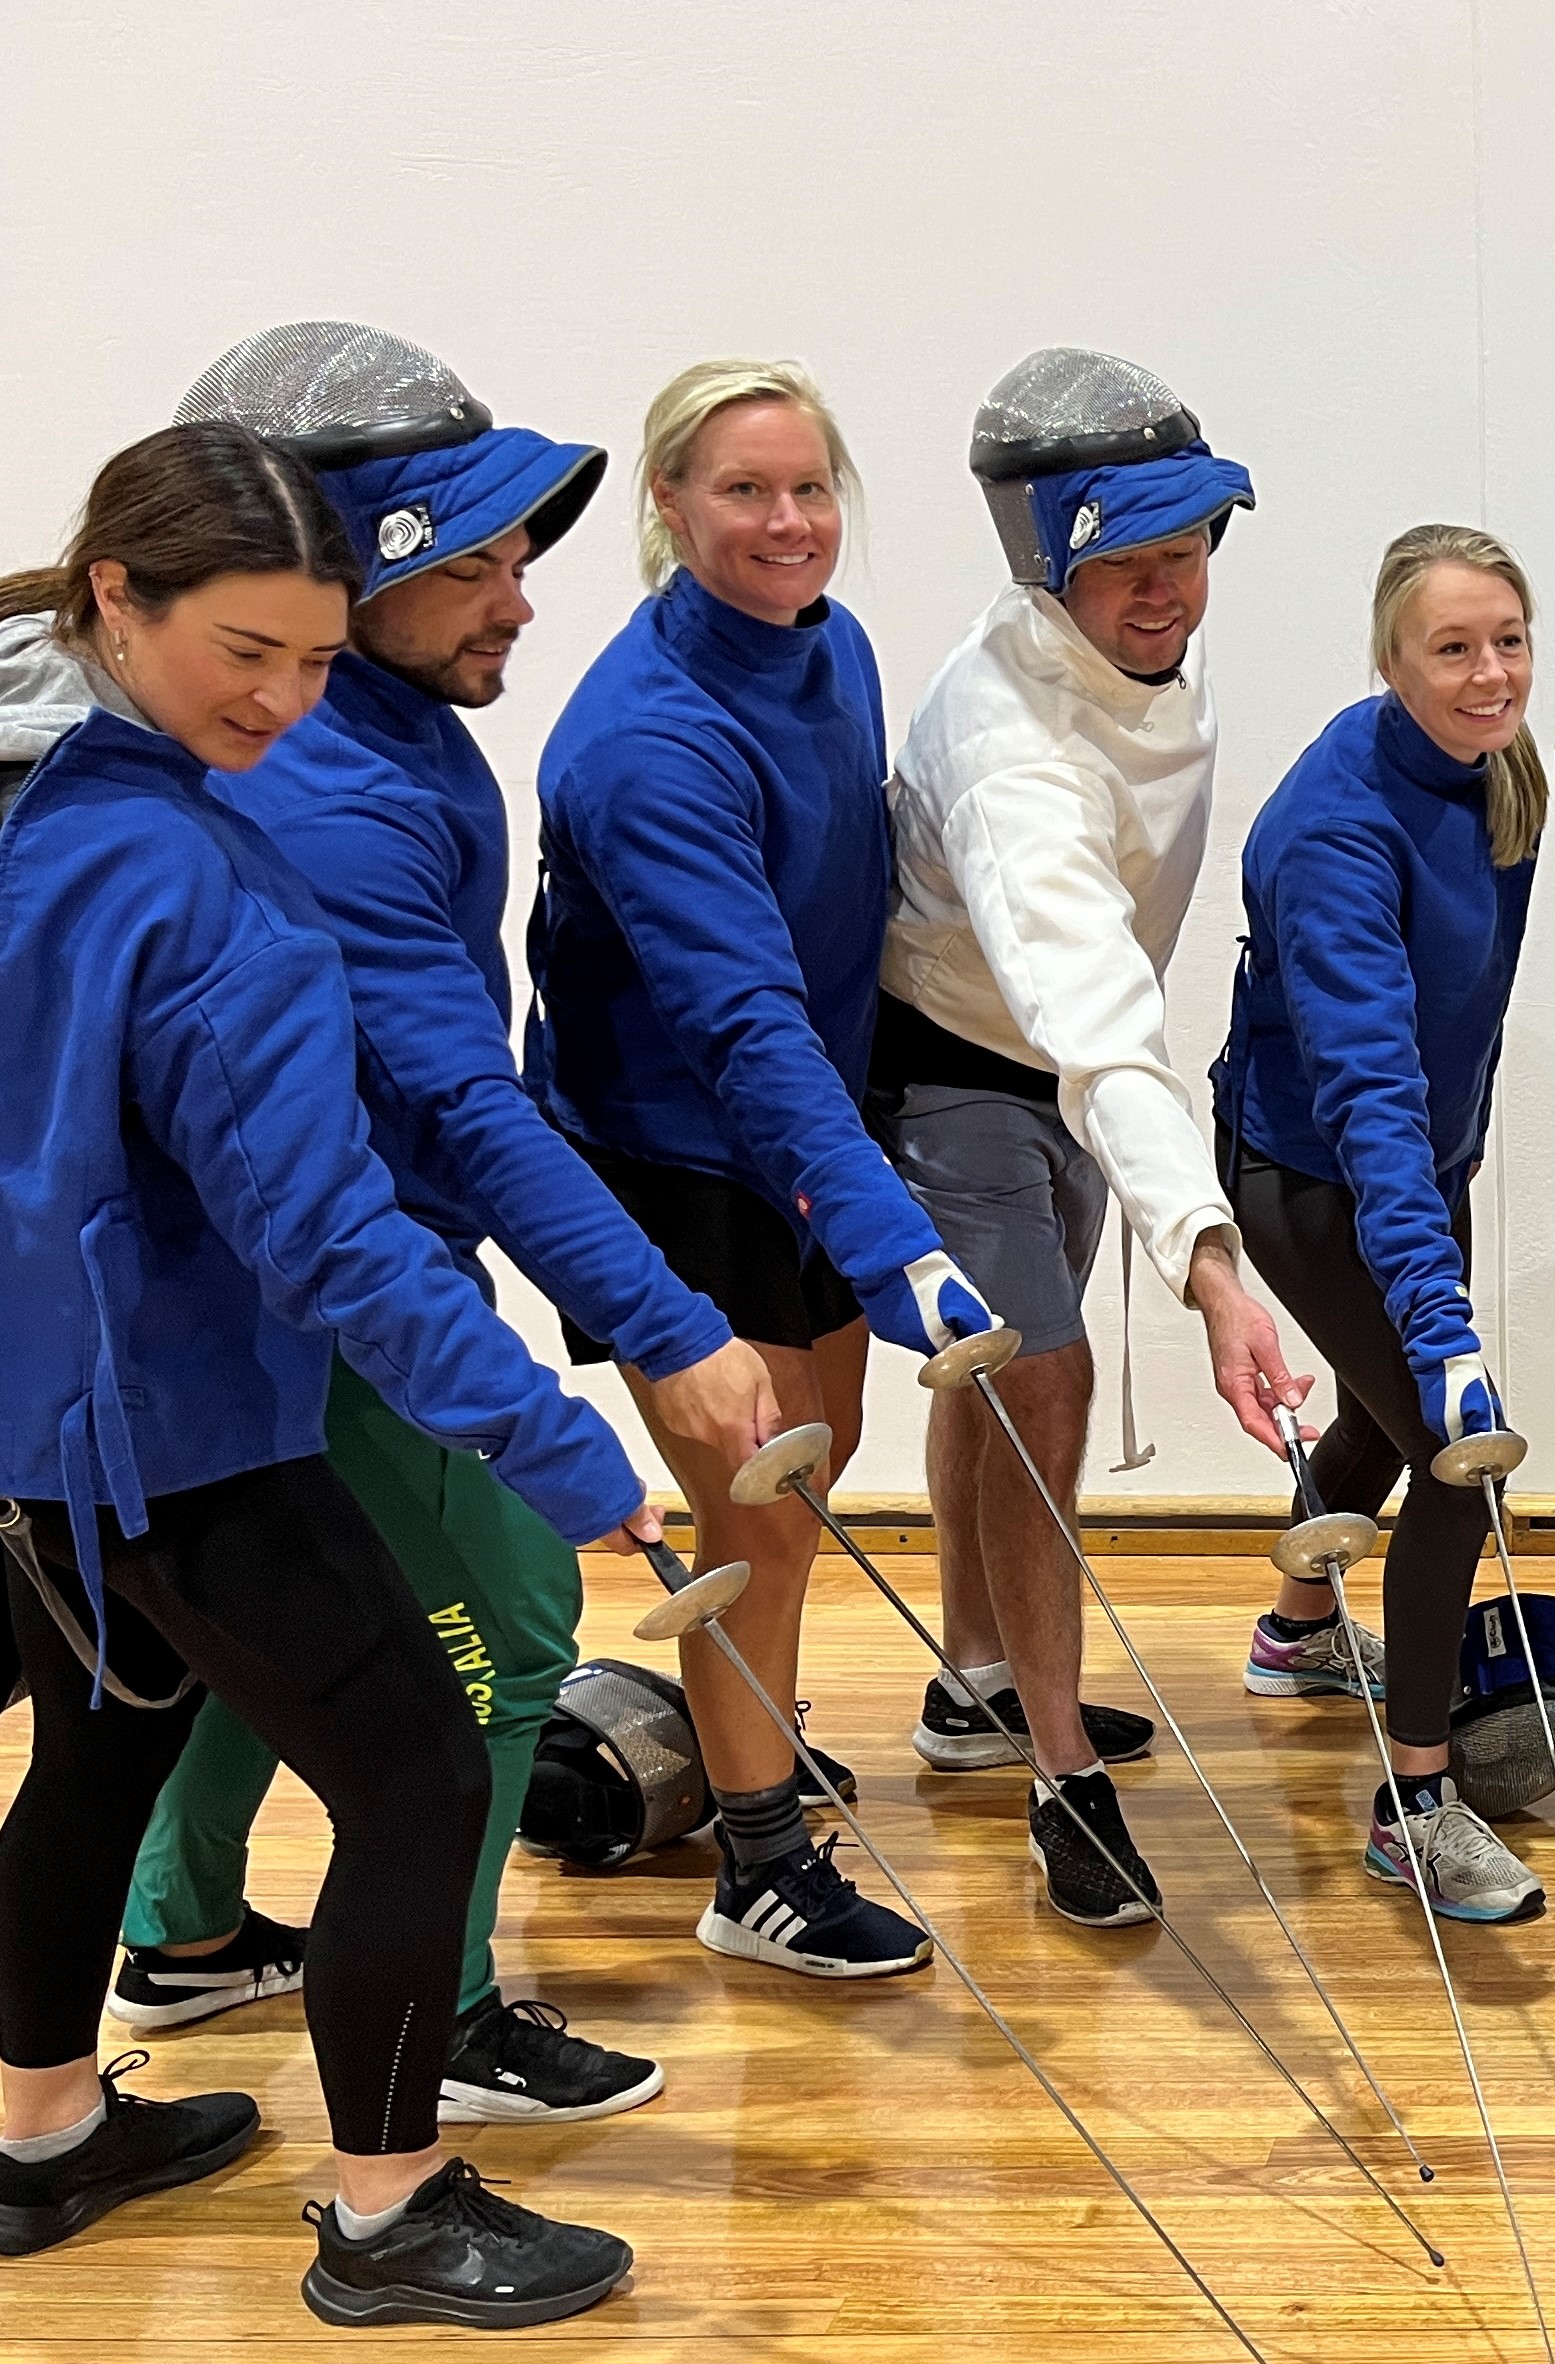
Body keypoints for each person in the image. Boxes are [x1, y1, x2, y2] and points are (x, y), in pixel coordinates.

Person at [28, 324, 774, 2130]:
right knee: (473, 1678)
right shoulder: (255, 831)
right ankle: (417, 2090)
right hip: (225, 1353)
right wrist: (628, 1365)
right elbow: (393, 1159)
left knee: (140, 1713)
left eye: (305, 653)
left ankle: (145, 1990)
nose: (516, 598)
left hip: (116, 1379)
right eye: (468, 560)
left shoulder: (163, 779)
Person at [0, 421, 639, 2325]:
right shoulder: (207, 887)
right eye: (245, 653)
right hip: (181, 1435)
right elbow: (332, 1237)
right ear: (117, 596)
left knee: (98, 1753)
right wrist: (557, 1446)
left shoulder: (39, 805)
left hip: (44, 1430)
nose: (283, 700)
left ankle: (38, 2135)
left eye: (315, 655)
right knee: (419, 1777)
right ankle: (390, 2213)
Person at [530, 360, 992, 1979]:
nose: (789, 522)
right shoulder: (645, 743)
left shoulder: (831, 646)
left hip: (805, 1126)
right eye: (744, 491)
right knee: (762, 1510)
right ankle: (760, 1866)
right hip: (673, 1152)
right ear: (669, 504)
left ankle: (756, 1738)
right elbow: (736, 1020)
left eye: (808, 488)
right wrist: (881, 1222)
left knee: (819, 1456)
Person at [883, 346, 1307, 1926]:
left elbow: (1102, 1016)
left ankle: (975, 1678)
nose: (1164, 587)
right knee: (1040, 1383)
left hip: (1050, 1069)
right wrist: (1211, 1265)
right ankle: (1059, 1768)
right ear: (1044, 559)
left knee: (999, 1384)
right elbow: (1100, 1019)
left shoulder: (1154, 664)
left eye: (1186, 547)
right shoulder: (1011, 749)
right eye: (1124, 559)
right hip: (956, 1071)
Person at [1216, 524, 1555, 1926]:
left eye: (1508, 642)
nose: (1490, 675)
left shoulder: (1503, 771)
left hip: (1422, 1157)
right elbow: (1366, 1088)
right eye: (1451, 649)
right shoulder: (1334, 831)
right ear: (1389, 660)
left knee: (1383, 1409)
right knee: (1457, 1463)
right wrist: (1437, 1308)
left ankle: (1296, 1637)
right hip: (1313, 1174)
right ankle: (1413, 1809)